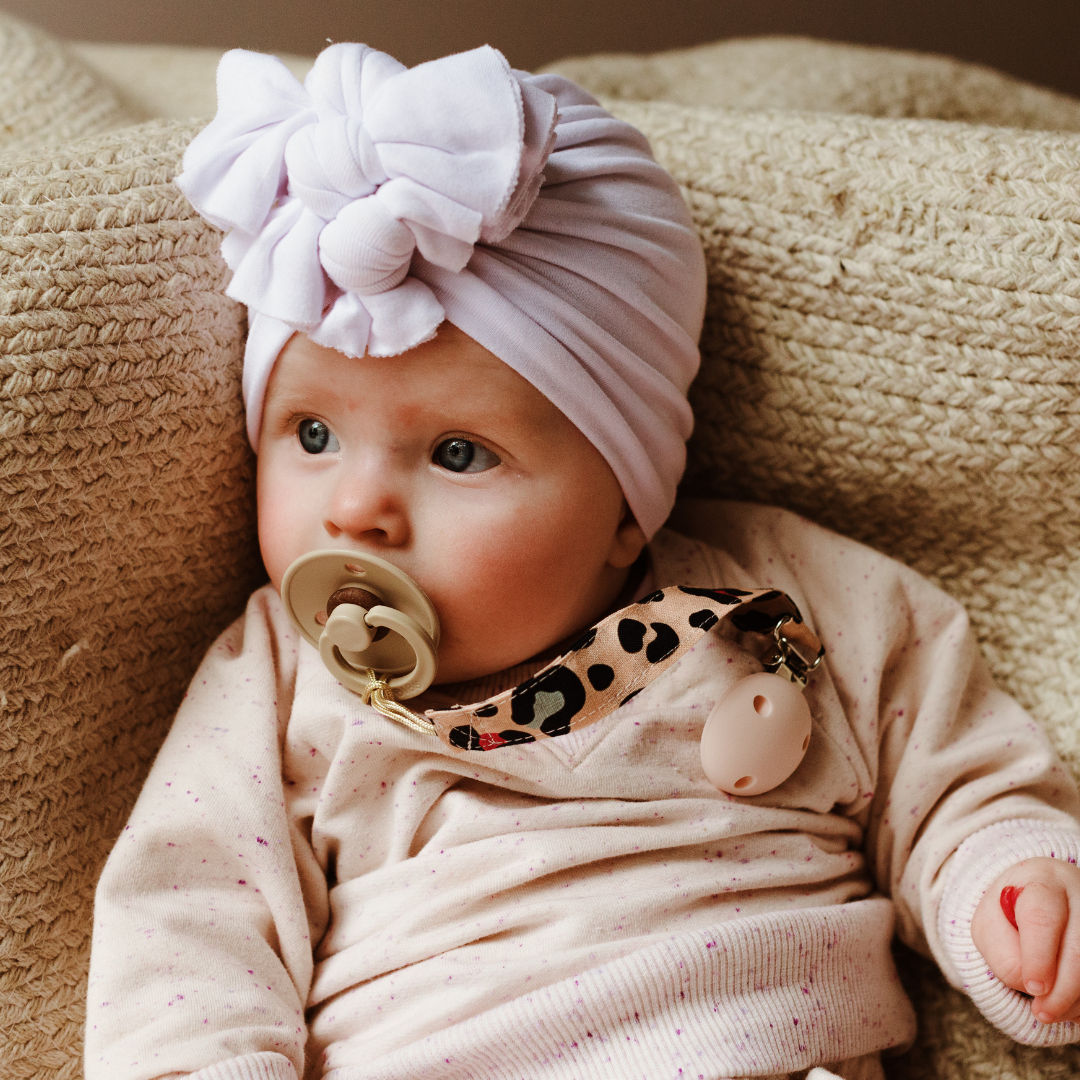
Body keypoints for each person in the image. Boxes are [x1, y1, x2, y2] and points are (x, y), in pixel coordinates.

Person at [85, 41, 1080, 1080]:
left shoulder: (780, 591)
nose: (357, 509)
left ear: (626, 505)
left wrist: (1007, 880)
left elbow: (945, 766)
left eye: (458, 453)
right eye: (313, 435)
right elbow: (190, 929)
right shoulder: (281, 679)